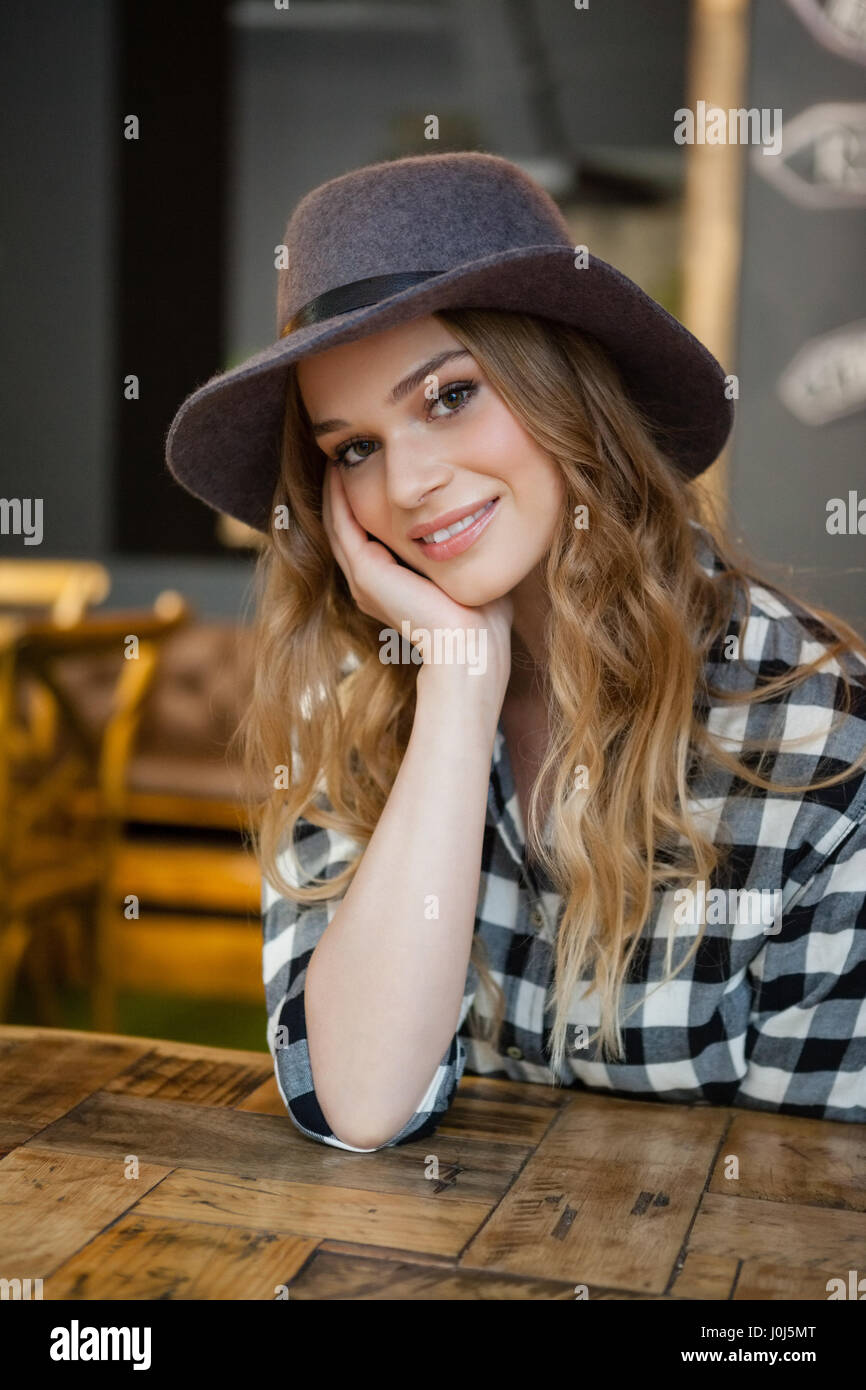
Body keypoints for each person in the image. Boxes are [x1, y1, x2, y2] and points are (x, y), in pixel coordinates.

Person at [165, 152, 866, 1151]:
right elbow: (359, 1104)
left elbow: (819, 1207)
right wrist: (455, 689)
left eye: (448, 395)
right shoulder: (354, 706)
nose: (406, 484)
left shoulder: (816, 740)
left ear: (567, 391)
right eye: (351, 448)